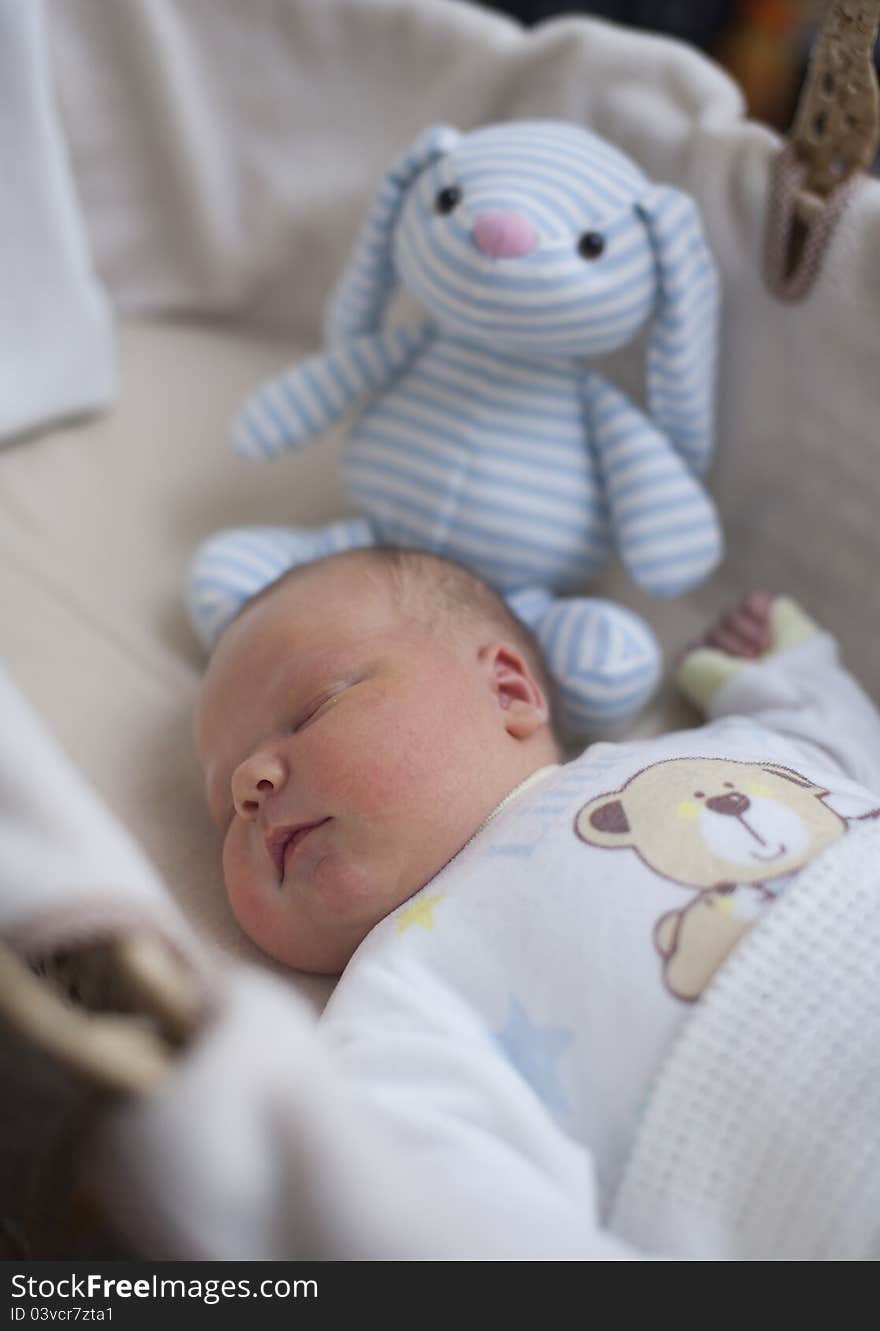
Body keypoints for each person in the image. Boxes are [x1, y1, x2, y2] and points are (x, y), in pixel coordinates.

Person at [193, 546, 880, 1251]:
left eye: (313, 708)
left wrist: (784, 673)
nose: (250, 782)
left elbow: (829, 743)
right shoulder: (398, 999)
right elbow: (458, 1215)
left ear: (509, 691)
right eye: (224, 813)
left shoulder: (698, 754)